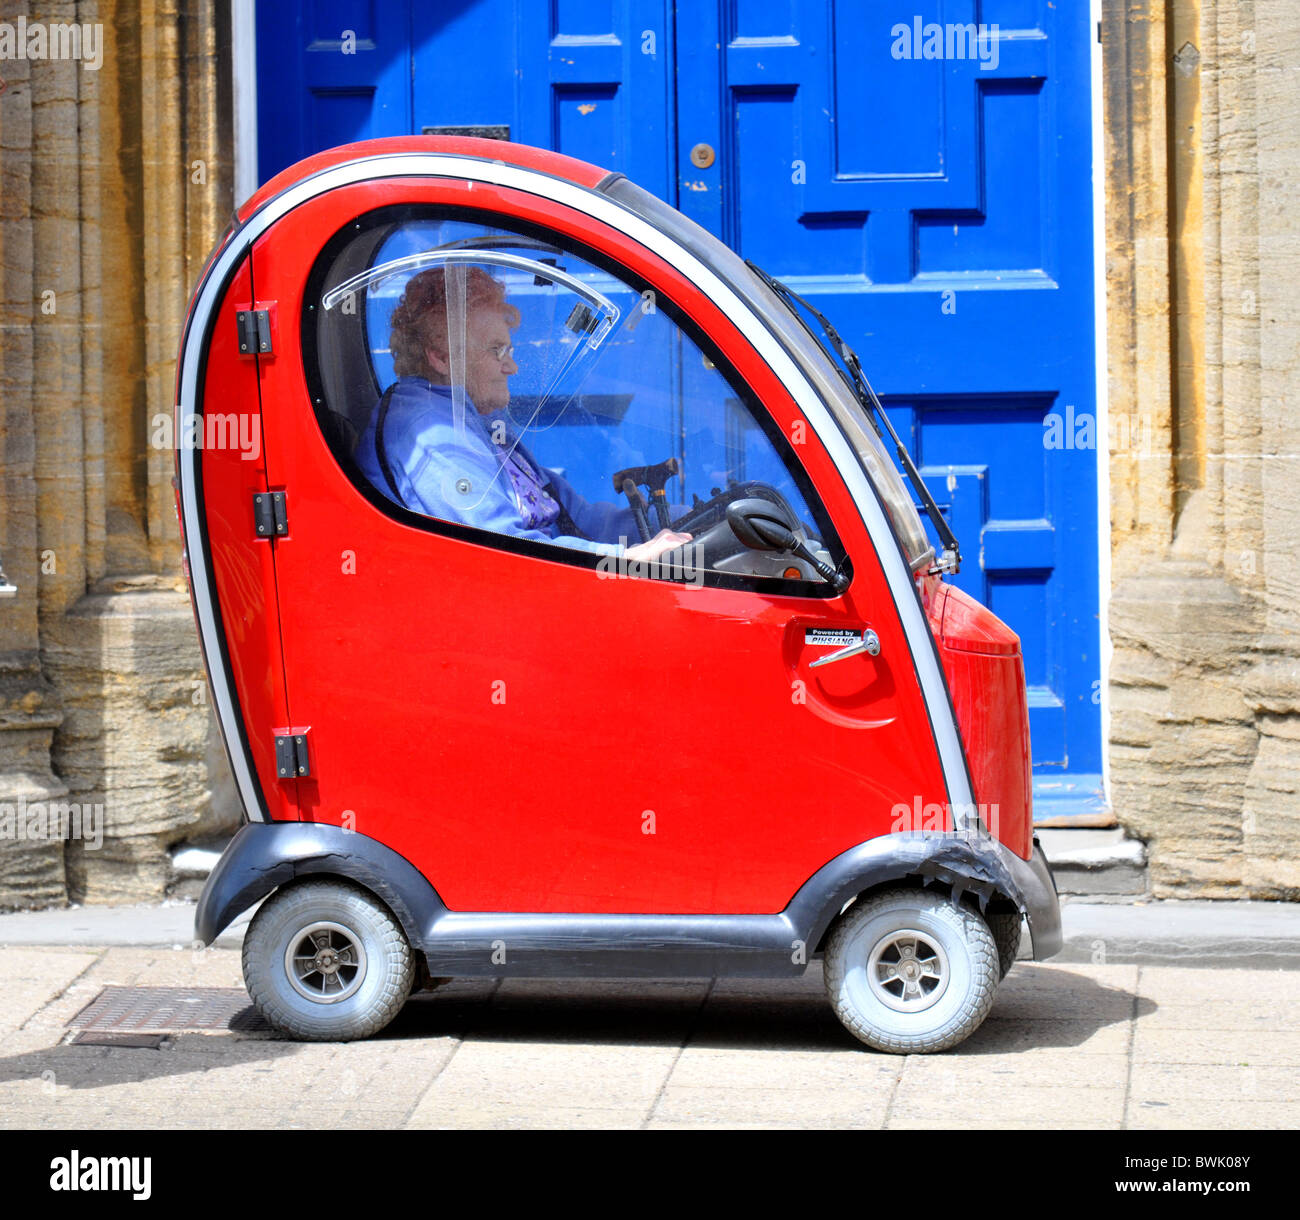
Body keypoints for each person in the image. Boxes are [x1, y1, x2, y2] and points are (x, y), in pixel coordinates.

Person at [355, 265, 690, 562]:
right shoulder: (430, 433)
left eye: (509, 350)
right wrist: (625, 558)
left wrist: (686, 519)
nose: (512, 367)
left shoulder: (473, 419)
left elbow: (580, 519)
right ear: (441, 357)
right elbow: (503, 550)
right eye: (496, 350)